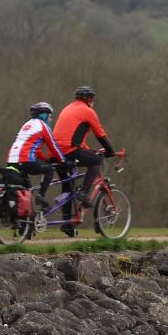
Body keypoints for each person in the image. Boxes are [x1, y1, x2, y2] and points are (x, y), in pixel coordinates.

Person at [51, 85, 116, 236]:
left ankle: (67, 225)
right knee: (95, 162)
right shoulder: (88, 111)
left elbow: (73, 134)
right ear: (89, 100)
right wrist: (110, 151)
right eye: (92, 99)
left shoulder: (68, 108)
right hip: (69, 150)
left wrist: (87, 150)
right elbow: (100, 134)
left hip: (55, 152)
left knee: (68, 188)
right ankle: (85, 193)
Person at [4, 100, 66, 213]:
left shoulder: (26, 125)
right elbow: (53, 146)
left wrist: (44, 159)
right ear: (45, 115)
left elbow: (33, 148)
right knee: (49, 170)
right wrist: (63, 161)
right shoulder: (43, 126)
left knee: (25, 190)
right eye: (50, 116)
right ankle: (41, 196)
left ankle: (25, 223)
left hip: (11, 160)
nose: (51, 119)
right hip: (26, 160)